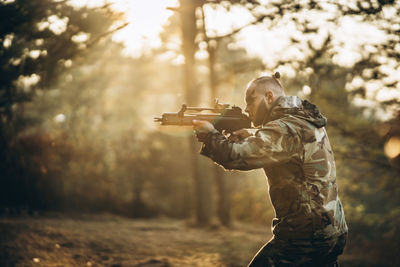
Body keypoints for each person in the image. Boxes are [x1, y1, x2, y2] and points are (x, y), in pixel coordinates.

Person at [193, 72, 348, 266]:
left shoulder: (285, 129)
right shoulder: (304, 119)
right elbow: (287, 145)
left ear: (269, 96)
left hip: (304, 235)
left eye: (251, 101)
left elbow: (235, 157)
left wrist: (210, 135)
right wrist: (252, 134)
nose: (247, 109)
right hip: (332, 230)